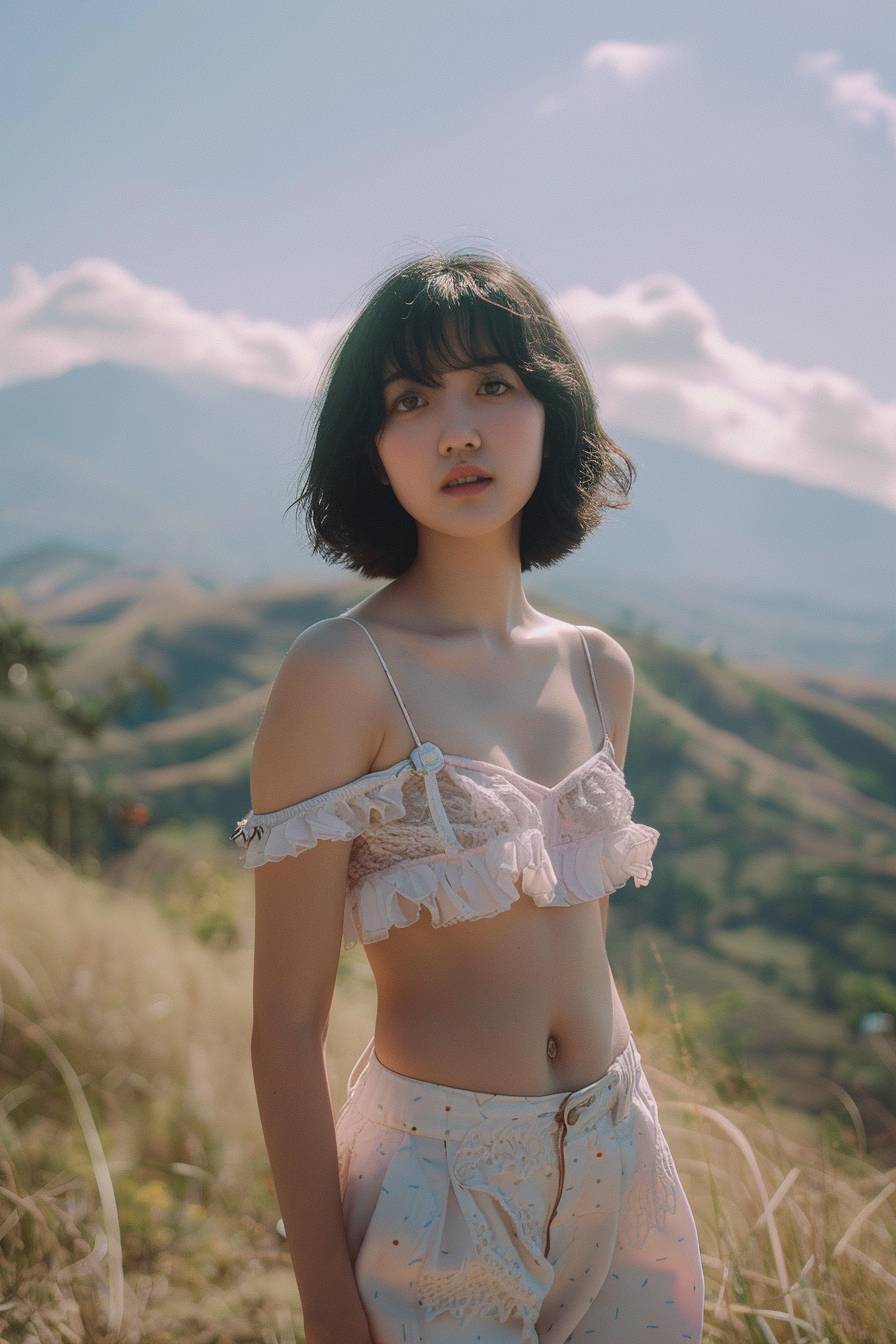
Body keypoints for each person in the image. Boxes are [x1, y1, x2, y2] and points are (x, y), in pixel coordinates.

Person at [233, 249, 704, 1343]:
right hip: (441, 1182)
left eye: (492, 384)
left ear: (551, 412)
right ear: (373, 446)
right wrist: (326, 1306)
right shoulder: (340, 671)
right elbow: (283, 1028)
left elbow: (573, 942)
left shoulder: (598, 668)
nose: (457, 428)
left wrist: (620, 1142)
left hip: (620, 1157)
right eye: (411, 399)